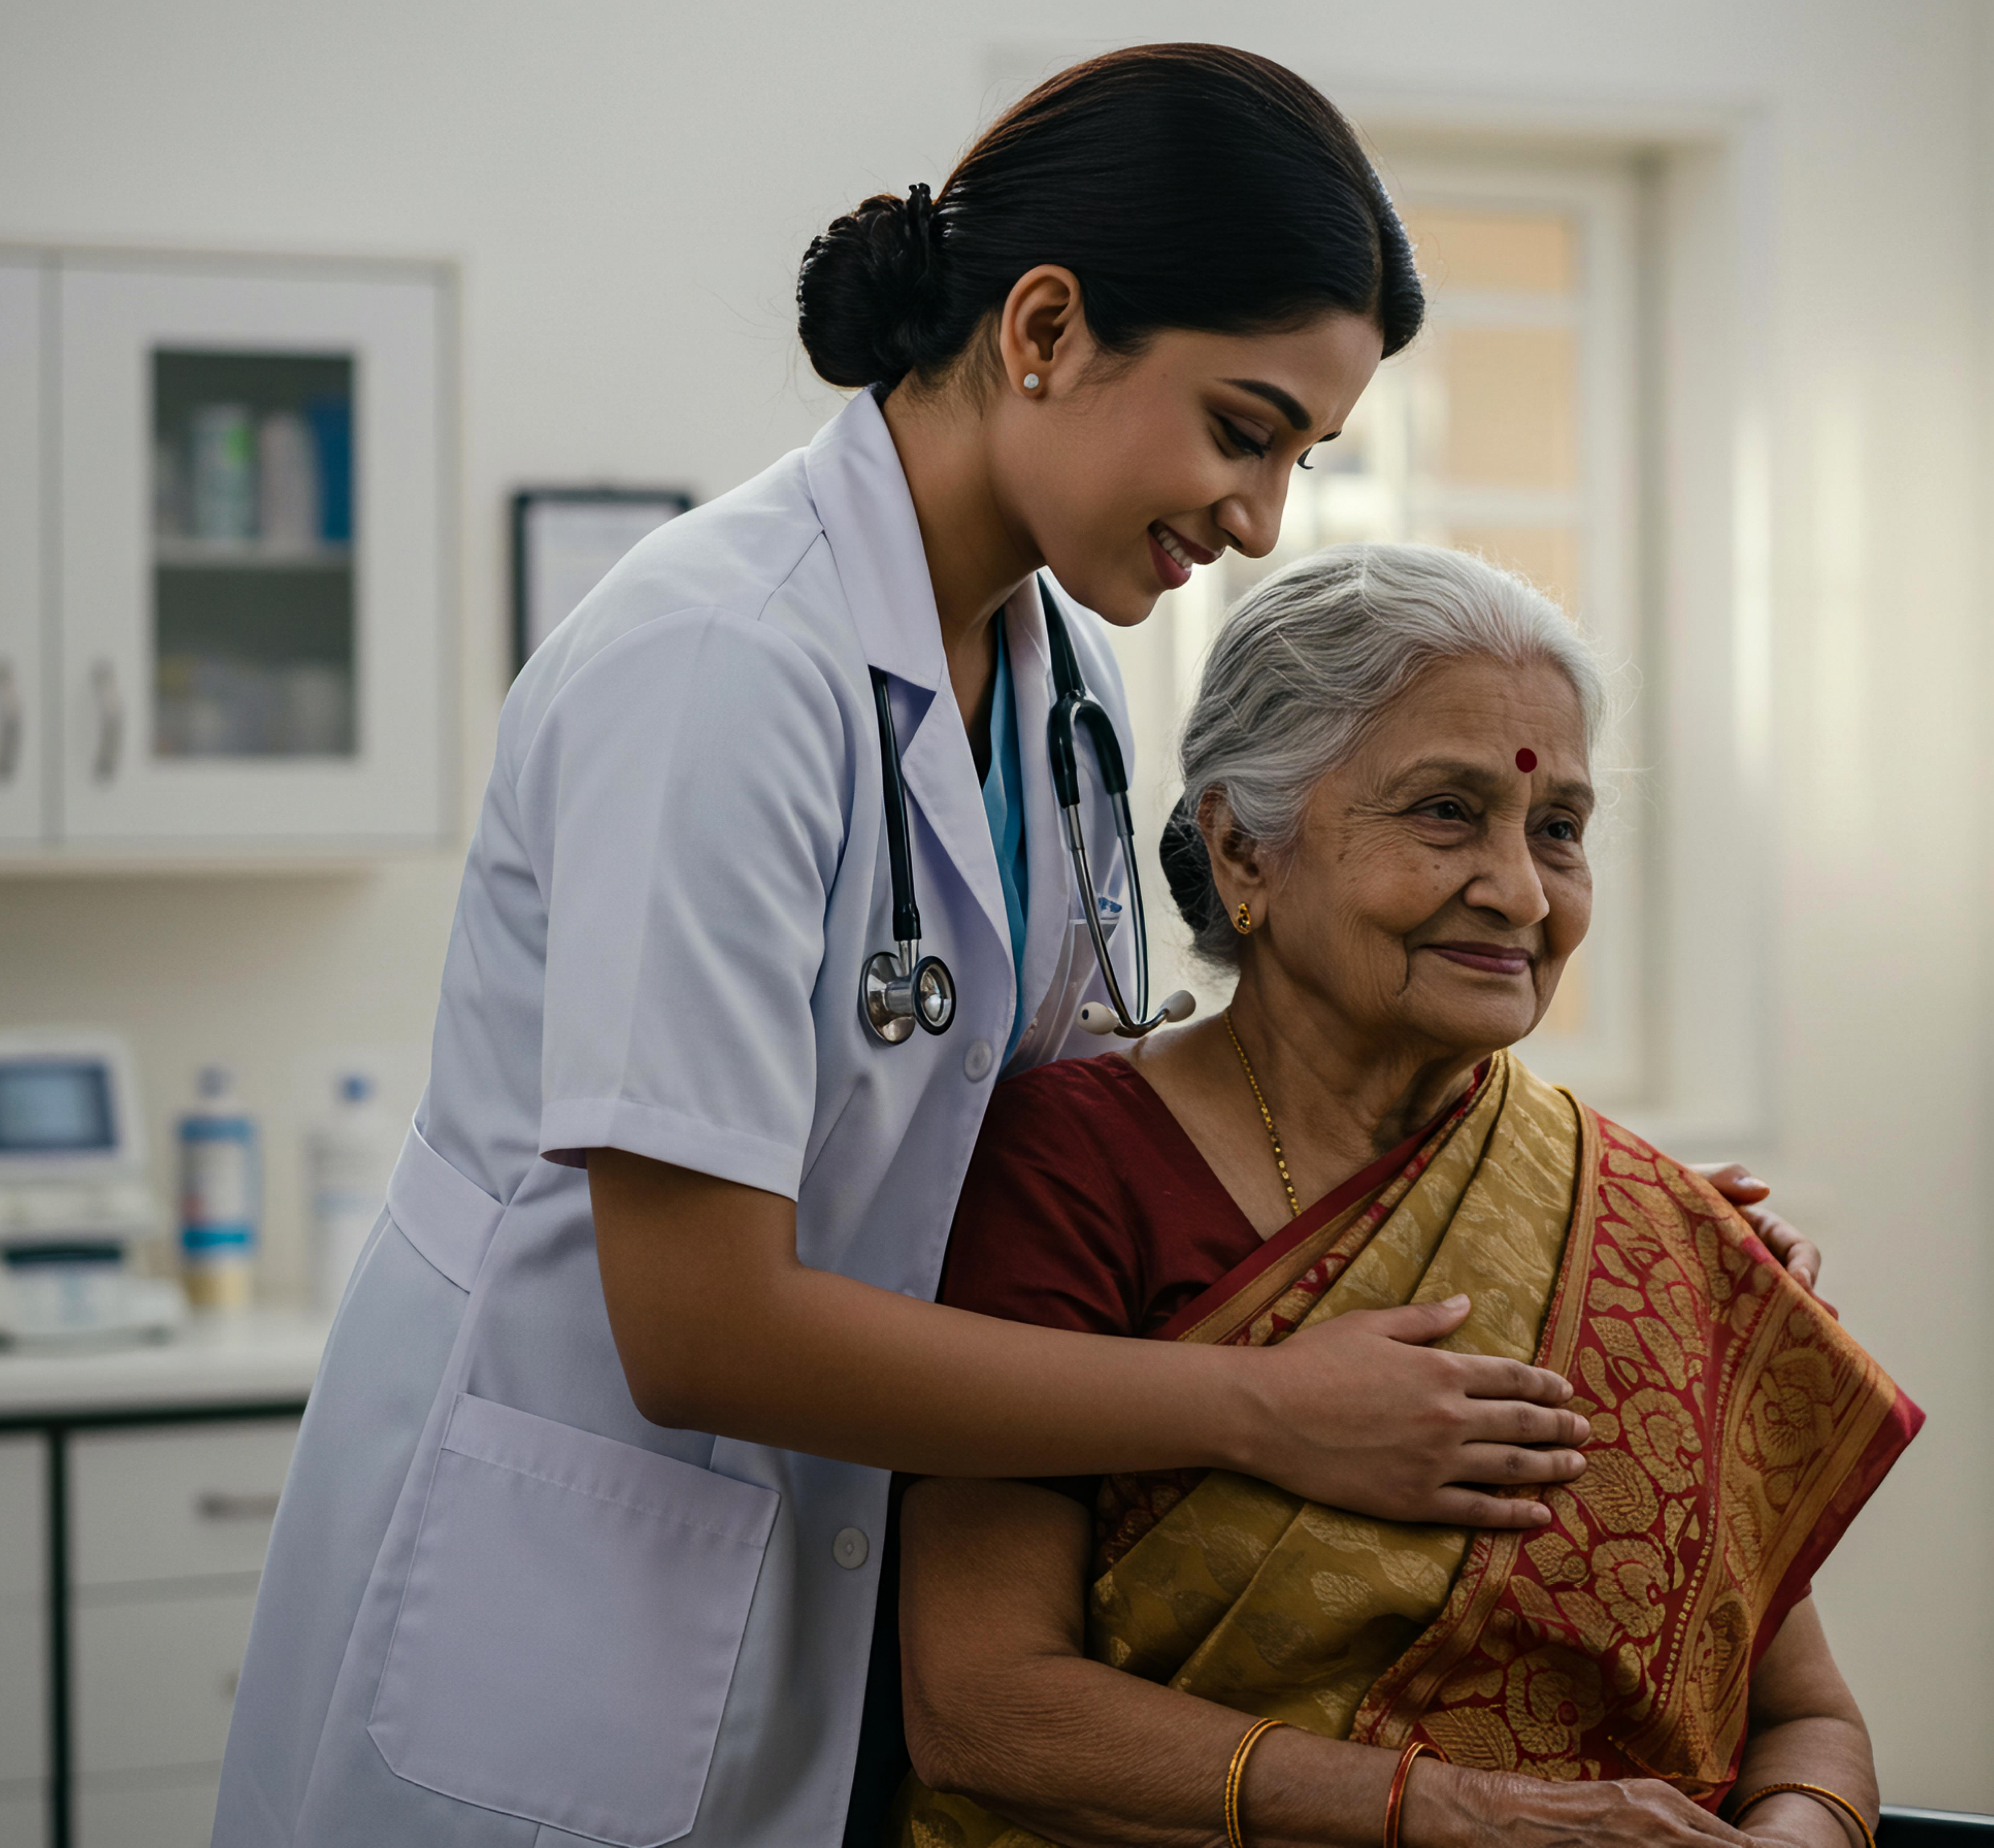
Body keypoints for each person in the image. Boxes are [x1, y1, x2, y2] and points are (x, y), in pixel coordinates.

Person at [213, 45, 1814, 1848]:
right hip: (565, 1615)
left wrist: (1601, 1226)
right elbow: (698, 1328)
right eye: (1242, 427)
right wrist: (1265, 1410)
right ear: (1042, 331)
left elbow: (1072, 1126)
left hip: (830, 1601)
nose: (1259, 519)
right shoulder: (722, 663)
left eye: (1302, 455)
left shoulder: (1056, 682)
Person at [891, 546, 1921, 1848]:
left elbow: (1807, 1718)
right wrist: (1463, 1817)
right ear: (1240, 848)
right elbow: (985, 1708)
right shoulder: (1076, 1168)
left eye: (1558, 830)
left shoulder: (1632, 1223)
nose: (1522, 890)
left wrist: (1794, 1835)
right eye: (1445, 812)